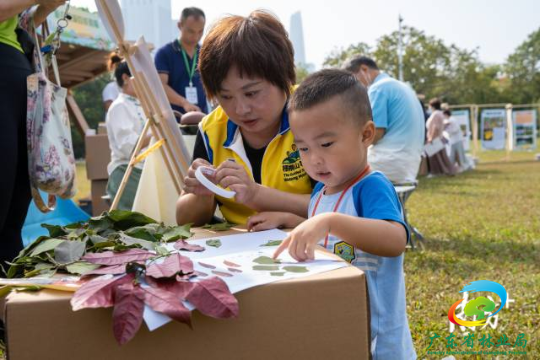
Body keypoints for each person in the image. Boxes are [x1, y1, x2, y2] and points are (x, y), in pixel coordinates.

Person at [267, 69, 415, 360]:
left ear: (366, 134)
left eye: (325, 145)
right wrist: (291, 221)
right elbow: (330, 239)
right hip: (342, 323)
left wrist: (328, 221)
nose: (315, 159)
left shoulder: (371, 187)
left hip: (379, 339)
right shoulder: (321, 191)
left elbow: (395, 239)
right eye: (304, 148)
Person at [176, 11, 314, 226]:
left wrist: (256, 194)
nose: (241, 109)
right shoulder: (211, 130)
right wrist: (202, 193)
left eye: (252, 93)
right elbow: (187, 223)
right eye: (226, 96)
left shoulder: (314, 114)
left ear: (284, 77)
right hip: (240, 253)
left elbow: (339, 204)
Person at [0, 0, 67, 270]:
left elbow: (18, 22)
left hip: (20, 69)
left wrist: (46, 9)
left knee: (17, 197)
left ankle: (11, 300)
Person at [342, 56, 425, 184]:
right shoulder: (401, 86)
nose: (353, 86)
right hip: (410, 163)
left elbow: (376, 134)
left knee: (338, 170)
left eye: (353, 79)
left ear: (364, 69)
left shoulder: (378, 89)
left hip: (389, 161)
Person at [105, 61, 151, 210]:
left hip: (142, 169)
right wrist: (157, 133)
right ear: (126, 78)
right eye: (141, 77)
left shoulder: (142, 104)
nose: (145, 83)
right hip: (127, 171)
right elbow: (128, 146)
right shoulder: (120, 106)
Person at [155, 7, 208, 121]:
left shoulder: (206, 53)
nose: (196, 36)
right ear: (180, 25)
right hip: (174, 119)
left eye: (200, 31)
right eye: (191, 31)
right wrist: (184, 103)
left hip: (202, 118)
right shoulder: (165, 53)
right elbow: (160, 86)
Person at [425, 99, 456, 176]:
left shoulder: (436, 114)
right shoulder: (440, 114)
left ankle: (436, 172)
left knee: (434, 157)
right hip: (439, 137)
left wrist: (431, 138)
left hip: (435, 138)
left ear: (432, 106)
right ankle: (446, 171)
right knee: (441, 156)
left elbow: (435, 127)